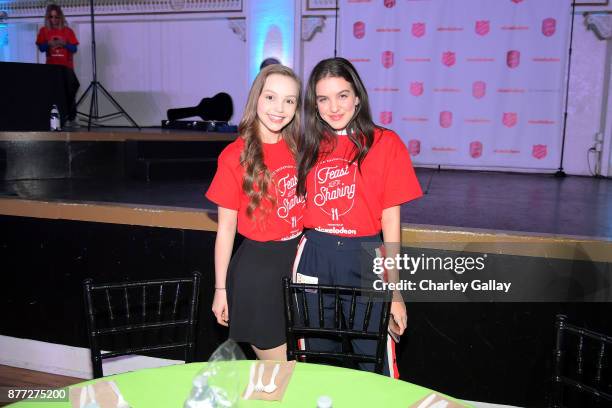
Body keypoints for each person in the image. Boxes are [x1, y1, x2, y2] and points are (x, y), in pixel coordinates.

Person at [295, 57, 423, 377]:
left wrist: (394, 291)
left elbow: (391, 224)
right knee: (317, 360)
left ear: (357, 97)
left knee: (374, 358)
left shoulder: (386, 143)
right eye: (323, 98)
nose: (333, 107)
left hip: (366, 256)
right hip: (314, 256)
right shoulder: (305, 144)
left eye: (342, 95)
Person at [206, 64, 305, 360]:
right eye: (271, 97)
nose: (280, 108)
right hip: (259, 273)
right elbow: (225, 230)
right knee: (279, 374)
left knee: (300, 372)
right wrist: (220, 289)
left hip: (298, 263)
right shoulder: (233, 156)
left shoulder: (300, 148)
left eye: (289, 100)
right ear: (256, 99)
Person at [36, 4, 80, 127]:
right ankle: (54, 118)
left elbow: (74, 48)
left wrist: (64, 44)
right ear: (48, 18)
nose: (54, 20)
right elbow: (41, 48)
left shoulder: (68, 31)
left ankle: (71, 118)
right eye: (51, 17)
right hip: (51, 67)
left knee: (71, 89)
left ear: (60, 17)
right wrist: (48, 43)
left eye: (56, 17)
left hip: (66, 66)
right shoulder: (44, 31)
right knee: (53, 93)